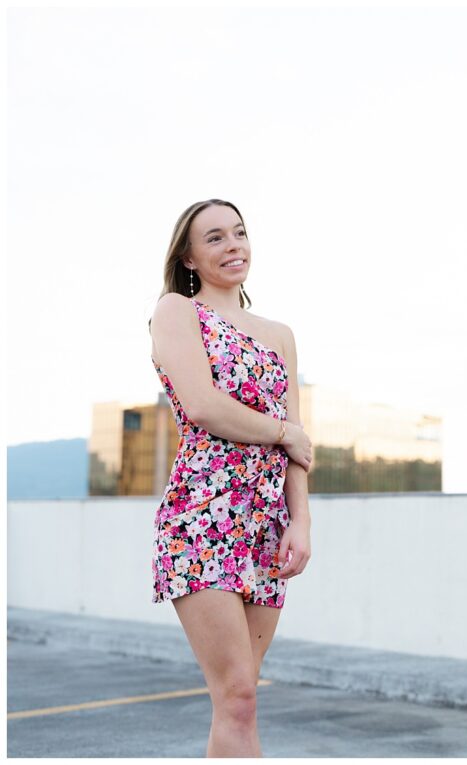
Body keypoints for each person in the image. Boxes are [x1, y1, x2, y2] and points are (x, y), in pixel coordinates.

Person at [148, 199, 313, 756]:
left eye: (239, 233)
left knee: (242, 700)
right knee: (236, 693)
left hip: (266, 525)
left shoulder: (280, 334)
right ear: (190, 257)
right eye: (214, 237)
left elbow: (299, 442)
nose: (233, 245)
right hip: (202, 516)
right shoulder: (176, 311)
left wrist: (301, 523)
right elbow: (202, 406)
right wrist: (284, 432)